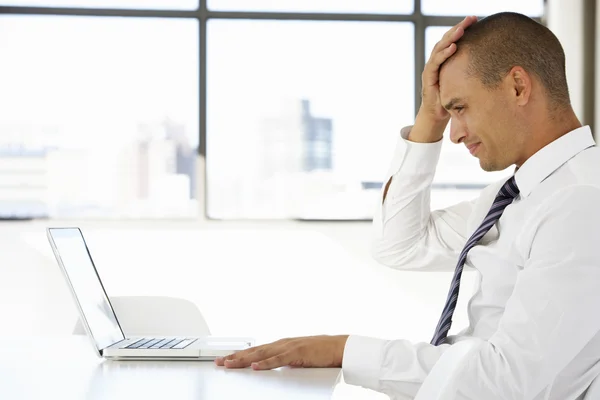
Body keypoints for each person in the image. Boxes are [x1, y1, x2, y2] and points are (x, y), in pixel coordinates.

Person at [216, 12, 600, 399]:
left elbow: (507, 382)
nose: (454, 134)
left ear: (517, 86)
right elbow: (399, 244)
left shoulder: (579, 201)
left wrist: (342, 350)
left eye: (459, 108)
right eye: (447, 114)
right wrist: (427, 117)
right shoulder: (518, 194)